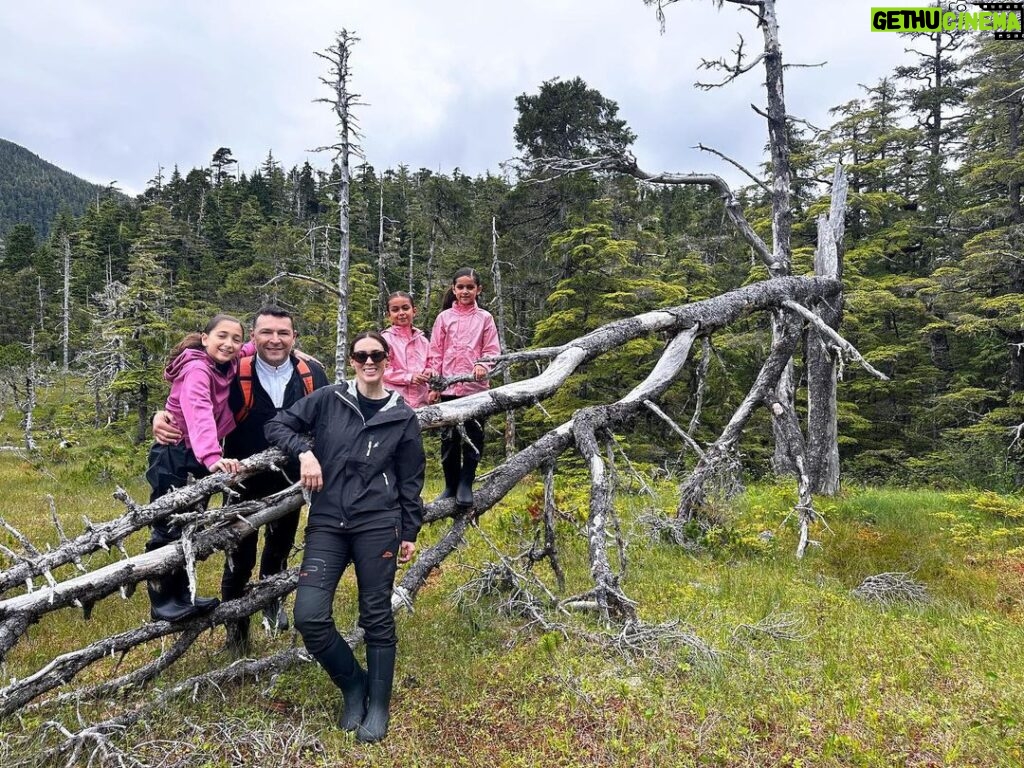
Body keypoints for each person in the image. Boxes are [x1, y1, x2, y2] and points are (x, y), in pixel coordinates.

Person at [265, 330, 424, 743]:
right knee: (309, 616)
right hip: (328, 520)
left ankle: (379, 706)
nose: (368, 362)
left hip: (378, 523)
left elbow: (411, 479)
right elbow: (277, 425)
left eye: (376, 355)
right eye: (360, 355)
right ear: (351, 360)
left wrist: (409, 530)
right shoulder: (330, 399)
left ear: (387, 360)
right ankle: (354, 684)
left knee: (375, 614)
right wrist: (304, 451)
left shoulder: (402, 415)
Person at [153, 306, 329, 653]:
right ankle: (236, 633)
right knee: (239, 555)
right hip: (241, 479)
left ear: (295, 338)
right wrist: (162, 416)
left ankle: (272, 601)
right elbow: (193, 400)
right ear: (254, 337)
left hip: (292, 479)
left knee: (279, 549)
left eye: (283, 333)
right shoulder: (235, 369)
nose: (274, 340)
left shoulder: (312, 373)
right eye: (266, 332)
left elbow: (327, 417)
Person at [145, 314, 244, 623]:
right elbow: (198, 410)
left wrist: (298, 352)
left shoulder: (225, 364)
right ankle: (161, 601)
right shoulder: (199, 369)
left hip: (194, 457)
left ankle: (183, 596)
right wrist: (213, 457)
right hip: (175, 453)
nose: (229, 344)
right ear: (205, 338)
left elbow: (254, 347)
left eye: (235, 339)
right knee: (167, 527)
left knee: (189, 525)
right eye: (221, 336)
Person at [426, 267, 501, 508]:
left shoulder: (485, 319)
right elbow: (435, 352)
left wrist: (482, 364)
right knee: (449, 440)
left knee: (474, 437)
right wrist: (436, 384)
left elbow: (491, 350)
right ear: (454, 289)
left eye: (470, 287)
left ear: (479, 290)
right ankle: (450, 484)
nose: (465, 291)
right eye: (461, 287)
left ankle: (466, 482)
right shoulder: (444, 318)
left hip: (475, 390)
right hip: (448, 390)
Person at [381, 291, 433, 409]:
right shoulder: (385, 340)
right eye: (395, 310)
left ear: (414, 311)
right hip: (394, 401)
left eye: (405, 308)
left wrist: (428, 374)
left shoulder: (422, 340)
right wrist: (409, 377)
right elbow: (383, 370)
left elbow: (430, 363)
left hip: (421, 401)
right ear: (388, 315)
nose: (401, 313)